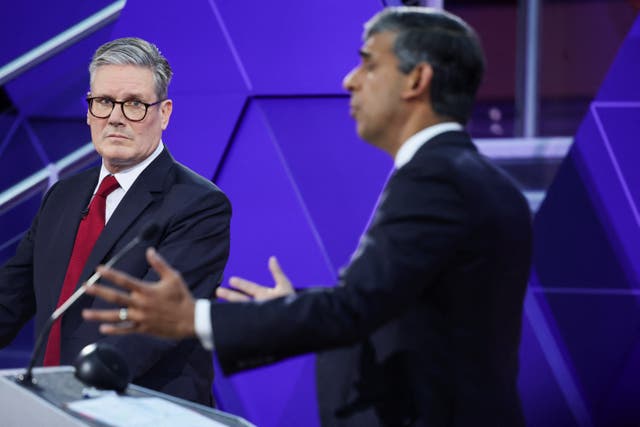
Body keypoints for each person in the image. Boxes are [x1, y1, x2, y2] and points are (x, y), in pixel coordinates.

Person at [83, 7, 532, 426]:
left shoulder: (436, 179)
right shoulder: (474, 178)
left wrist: (195, 319)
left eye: (369, 64)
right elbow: (404, 305)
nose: (350, 80)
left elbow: (354, 309)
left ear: (417, 79)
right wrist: (290, 307)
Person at [0, 37, 231, 406]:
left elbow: (153, 327)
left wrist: (77, 389)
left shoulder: (199, 205)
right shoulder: (63, 195)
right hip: (51, 407)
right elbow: (10, 296)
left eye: (135, 104)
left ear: (165, 112)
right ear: (89, 110)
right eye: (104, 102)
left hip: (137, 406)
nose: (116, 117)